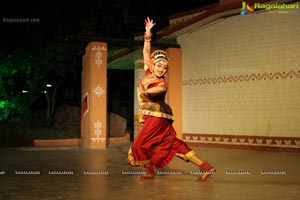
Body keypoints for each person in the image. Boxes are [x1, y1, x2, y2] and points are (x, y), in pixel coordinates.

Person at [127, 17, 216, 181]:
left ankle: (150, 170)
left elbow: (156, 90)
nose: (162, 69)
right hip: (155, 116)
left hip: (158, 117)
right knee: (173, 144)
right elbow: (146, 51)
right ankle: (206, 167)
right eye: (159, 65)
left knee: (139, 144)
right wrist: (148, 33)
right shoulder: (148, 73)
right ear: (152, 65)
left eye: (165, 67)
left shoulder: (162, 83)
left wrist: (145, 88)